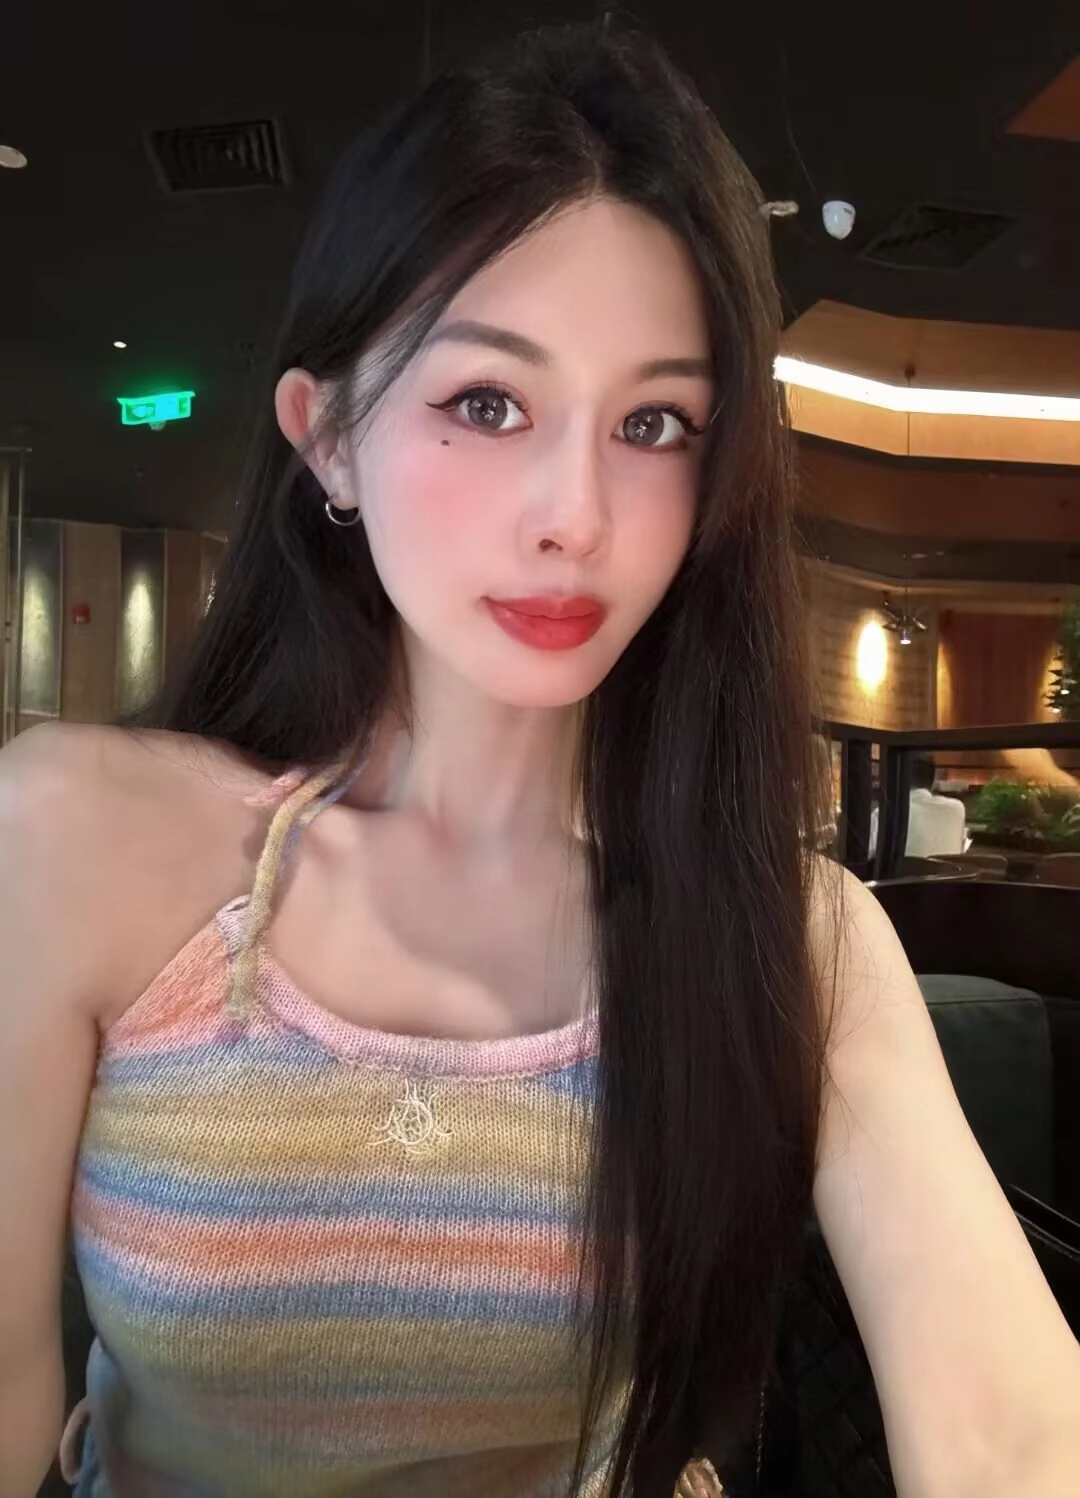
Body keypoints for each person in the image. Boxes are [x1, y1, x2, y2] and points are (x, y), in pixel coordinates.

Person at [2, 22, 1079, 1498]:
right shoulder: (79, 839)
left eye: (654, 423)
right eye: (487, 403)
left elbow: (1018, 1434)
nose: (576, 512)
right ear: (326, 439)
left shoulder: (789, 936)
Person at [904, 754, 967, 859]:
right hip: (949, 870)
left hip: (905, 870)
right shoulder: (957, 809)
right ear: (933, 782)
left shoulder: (885, 814)